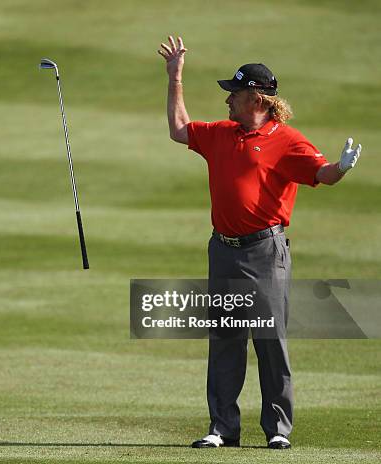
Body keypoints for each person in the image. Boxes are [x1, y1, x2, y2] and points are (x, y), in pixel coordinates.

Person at [157, 35, 361, 450]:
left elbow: (321, 174)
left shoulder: (286, 140)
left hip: (265, 252)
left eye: (235, 93)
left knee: (269, 341)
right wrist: (175, 78)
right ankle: (222, 429)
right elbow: (179, 130)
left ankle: (277, 431)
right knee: (226, 340)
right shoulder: (219, 134)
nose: (228, 100)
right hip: (223, 250)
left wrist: (340, 168)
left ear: (256, 98)